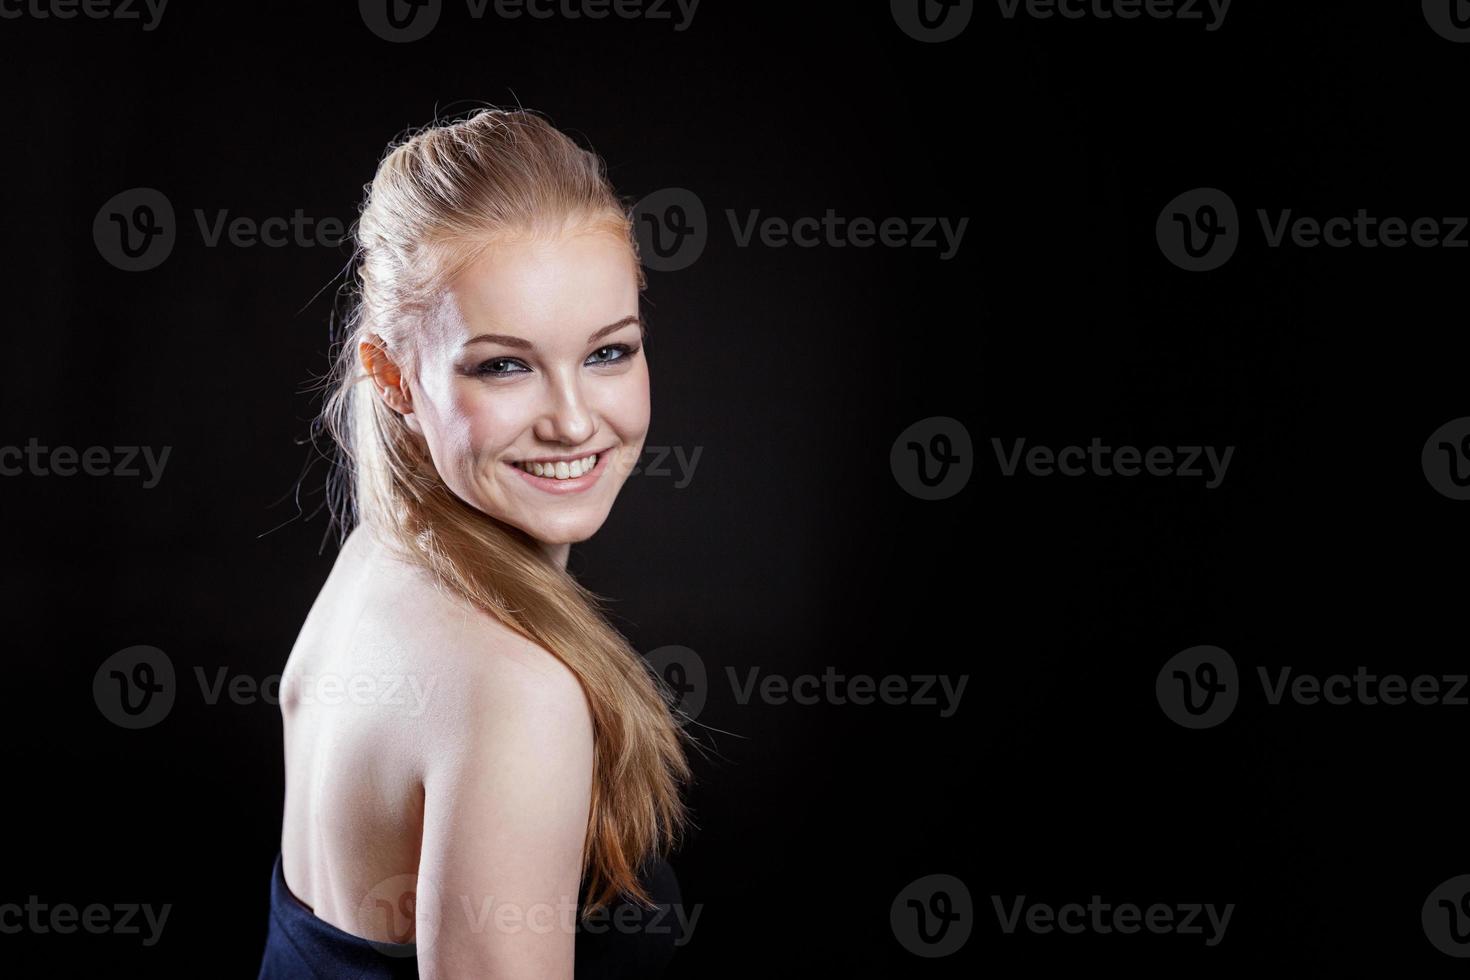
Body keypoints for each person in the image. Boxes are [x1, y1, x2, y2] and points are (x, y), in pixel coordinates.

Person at [257, 108, 693, 979]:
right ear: (393, 377)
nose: (574, 421)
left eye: (609, 352)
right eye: (505, 365)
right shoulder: (512, 696)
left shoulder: (378, 562)